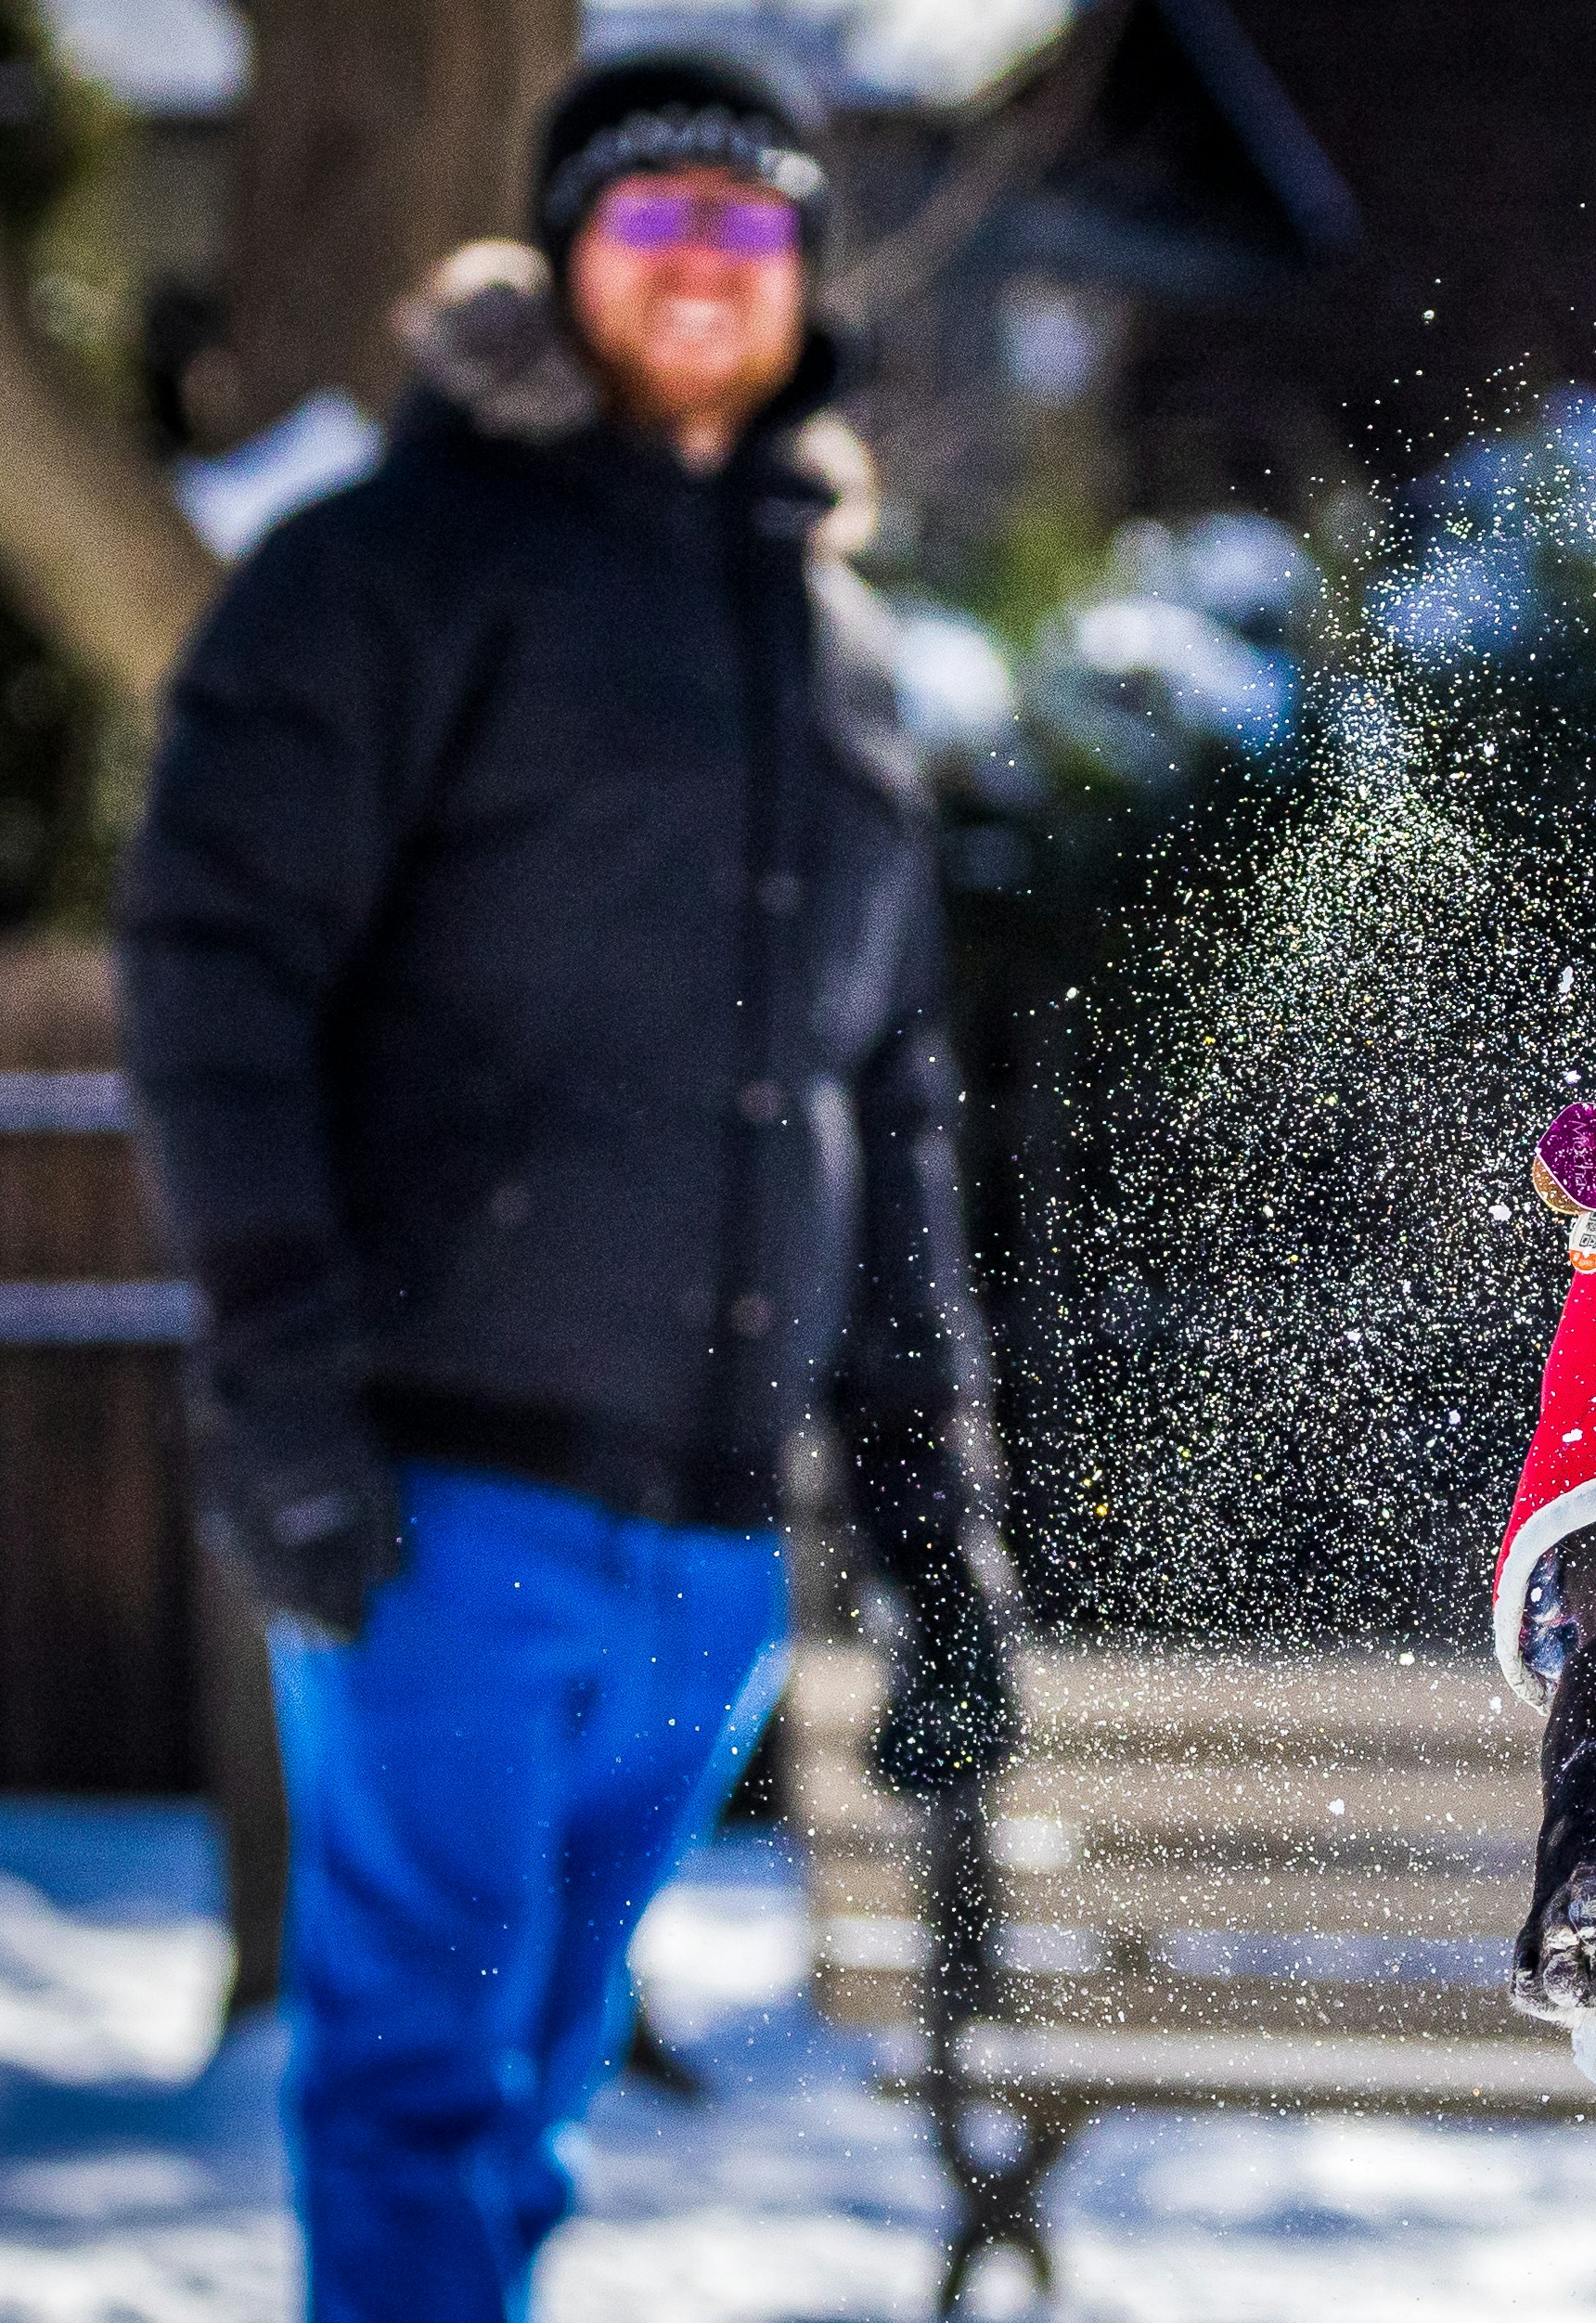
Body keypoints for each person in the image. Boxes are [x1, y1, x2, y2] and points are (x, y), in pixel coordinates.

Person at [115, 52, 1017, 2323]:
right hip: (441, 1496)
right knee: (419, 2076)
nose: (704, 263)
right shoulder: (388, 571)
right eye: (655, 221)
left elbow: (883, 1106)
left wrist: (939, 1533)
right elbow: (214, 981)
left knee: (526, 2090)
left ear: (803, 280)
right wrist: (283, 1402)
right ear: (565, 259)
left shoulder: (837, 643)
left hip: (715, 1548)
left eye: (749, 224)